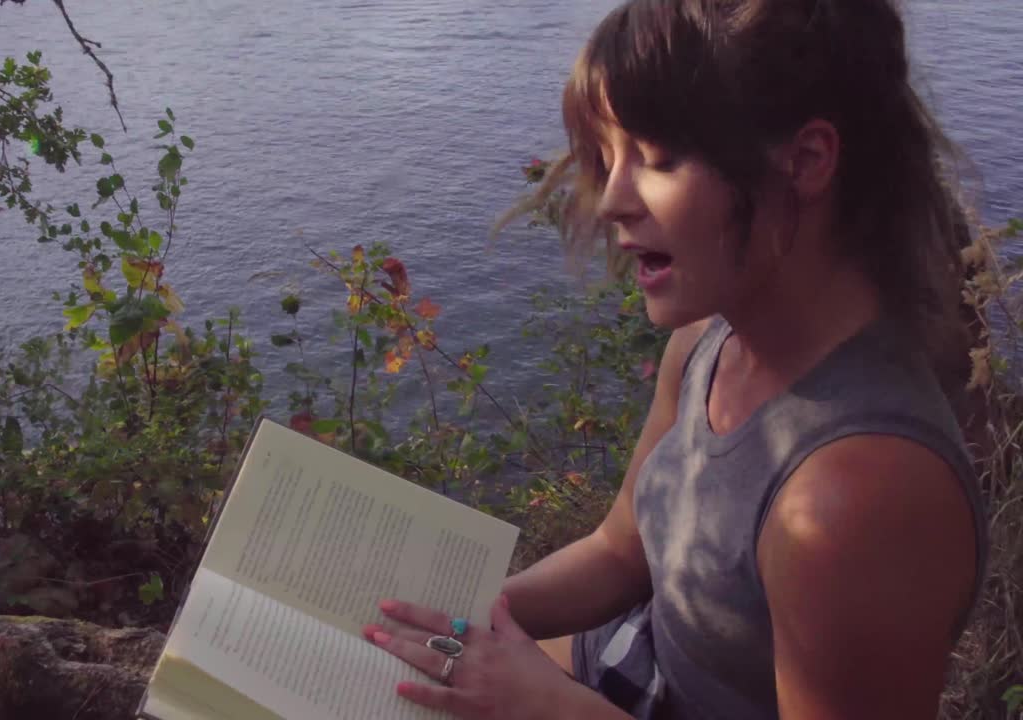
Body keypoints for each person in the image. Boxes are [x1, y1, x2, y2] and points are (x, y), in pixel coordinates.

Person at [360, 0, 990, 718]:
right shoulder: (707, 347)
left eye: (656, 158)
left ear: (806, 162)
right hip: (612, 672)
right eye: (607, 158)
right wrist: (457, 621)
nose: (610, 203)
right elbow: (620, 552)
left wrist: (543, 705)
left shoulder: (855, 495)